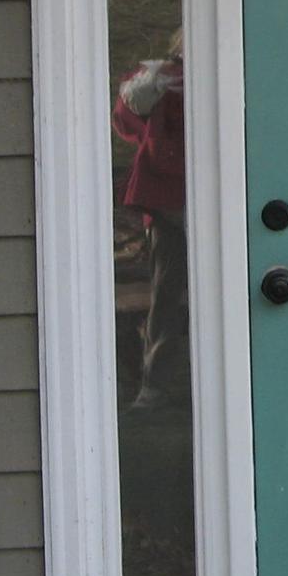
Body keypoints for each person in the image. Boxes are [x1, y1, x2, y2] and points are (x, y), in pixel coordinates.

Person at [113, 32, 185, 408]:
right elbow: (127, 121)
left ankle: (159, 385)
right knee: (167, 293)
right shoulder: (160, 81)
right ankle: (155, 385)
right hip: (169, 202)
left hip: (184, 199)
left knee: (169, 293)